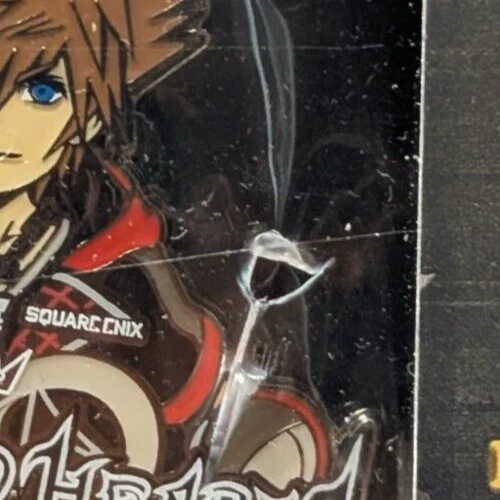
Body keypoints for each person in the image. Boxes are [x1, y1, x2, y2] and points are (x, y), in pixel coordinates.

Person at [0, 0, 332, 494]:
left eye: (42, 92)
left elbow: (187, 385)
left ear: (92, 114)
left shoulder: (121, 275)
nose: (6, 119)